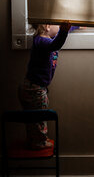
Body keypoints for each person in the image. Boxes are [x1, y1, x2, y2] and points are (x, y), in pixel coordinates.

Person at [18, 22, 72, 150]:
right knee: (39, 117)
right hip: (34, 89)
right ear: (47, 26)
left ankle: (34, 139)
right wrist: (64, 31)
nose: (59, 28)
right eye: (58, 25)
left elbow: (56, 39)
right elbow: (56, 44)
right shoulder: (41, 41)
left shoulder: (45, 40)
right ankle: (39, 142)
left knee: (34, 118)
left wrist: (74, 26)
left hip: (33, 87)